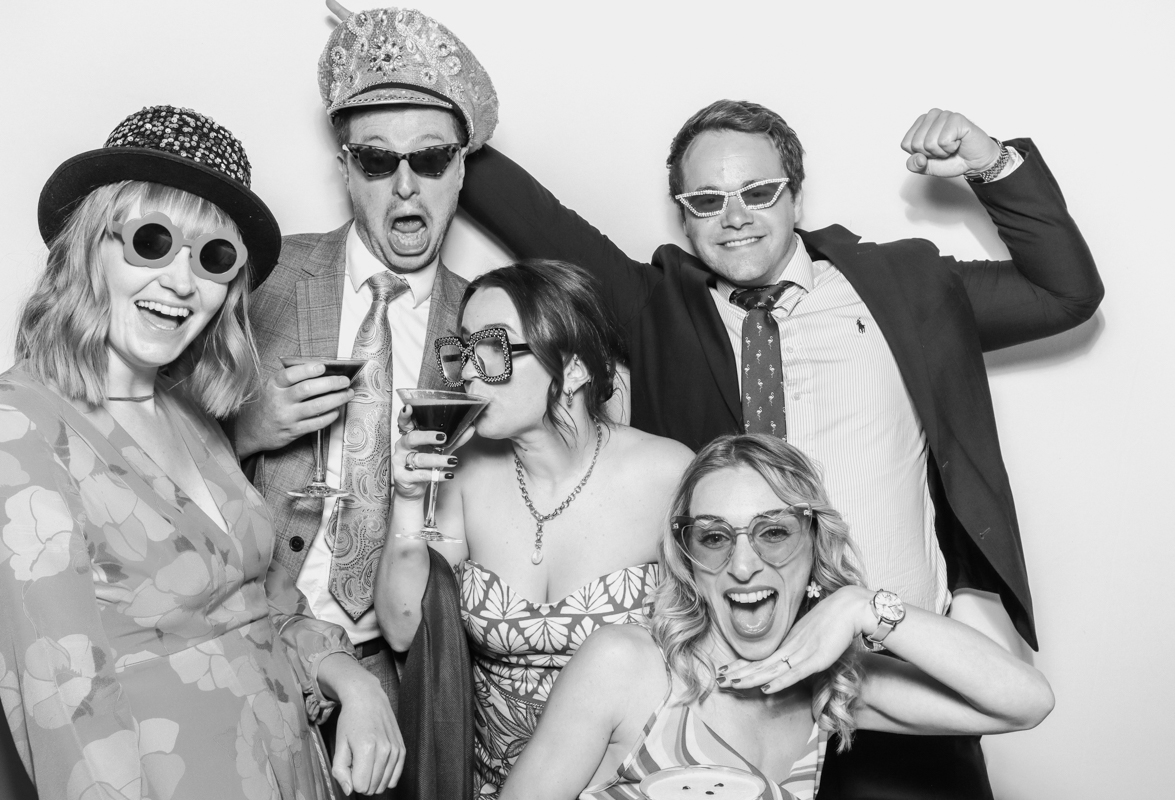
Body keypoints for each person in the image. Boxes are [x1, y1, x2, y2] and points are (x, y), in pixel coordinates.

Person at [456, 102, 1101, 796]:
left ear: (796, 192)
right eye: (706, 201)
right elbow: (534, 219)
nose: (733, 216)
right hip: (732, 684)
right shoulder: (658, 309)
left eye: (758, 192)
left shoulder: (902, 290)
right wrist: (438, 102)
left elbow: (1064, 292)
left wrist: (991, 161)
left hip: (880, 677)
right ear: (683, 214)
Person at [0, 105, 403, 799]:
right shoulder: (20, 427)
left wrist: (350, 678)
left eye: (214, 258)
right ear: (87, 247)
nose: (183, 283)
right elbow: (66, 710)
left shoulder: (189, 414)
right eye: (152, 241)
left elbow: (259, 605)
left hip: (291, 768)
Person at [233, 7, 499, 796]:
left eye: (431, 158)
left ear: (460, 171)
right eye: (380, 162)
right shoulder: (261, 283)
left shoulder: (491, 326)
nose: (406, 184)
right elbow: (150, 448)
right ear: (347, 170)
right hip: (247, 638)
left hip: (401, 667)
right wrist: (249, 426)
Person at [501, 434, 1054, 799]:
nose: (743, 564)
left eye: (773, 532)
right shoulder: (627, 666)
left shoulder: (829, 687)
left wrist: (862, 607)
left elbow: (1025, 703)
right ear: (689, 561)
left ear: (814, 544)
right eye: (714, 537)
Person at [374, 260, 695, 796]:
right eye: (463, 350)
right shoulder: (465, 471)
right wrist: (407, 502)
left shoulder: (669, 476)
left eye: (495, 350)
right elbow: (404, 629)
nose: (469, 373)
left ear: (572, 368)